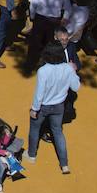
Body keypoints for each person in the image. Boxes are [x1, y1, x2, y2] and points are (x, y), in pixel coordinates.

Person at [28, 43, 81, 174]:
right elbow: (76, 87)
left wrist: (34, 109)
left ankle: (31, 155)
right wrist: (73, 71)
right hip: (59, 107)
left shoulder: (43, 71)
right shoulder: (68, 68)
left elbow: (39, 94)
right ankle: (64, 164)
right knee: (58, 132)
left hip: (43, 107)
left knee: (35, 129)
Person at [25, 0, 70, 71]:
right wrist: (64, 18)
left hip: (40, 19)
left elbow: (33, 4)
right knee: (50, 43)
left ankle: (30, 65)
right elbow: (68, 8)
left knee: (35, 42)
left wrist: (32, 17)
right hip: (54, 21)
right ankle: (45, 65)